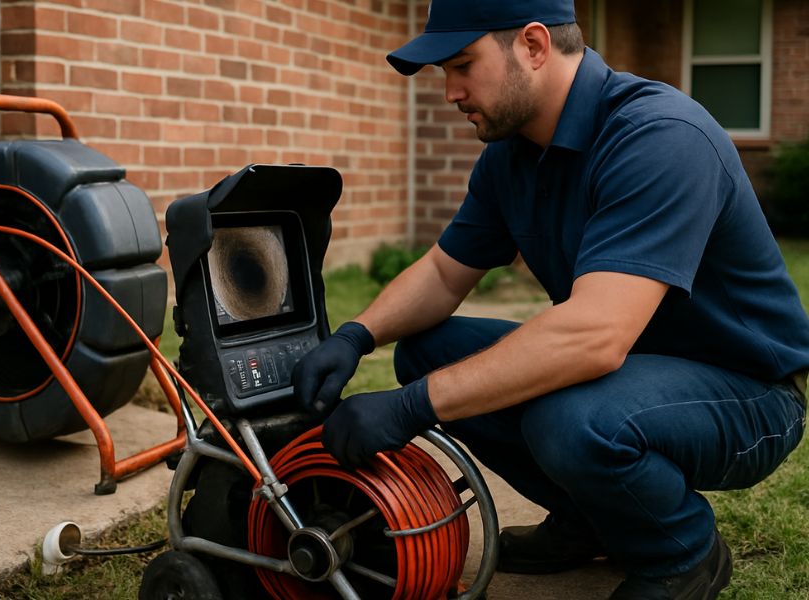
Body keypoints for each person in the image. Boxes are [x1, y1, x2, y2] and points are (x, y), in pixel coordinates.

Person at [292, 0, 809, 598]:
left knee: (570, 420)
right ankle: (590, 518)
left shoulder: (661, 136)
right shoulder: (510, 156)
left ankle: (681, 553)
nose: (451, 92)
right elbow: (441, 273)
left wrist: (410, 409)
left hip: (746, 391)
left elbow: (593, 336)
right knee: (430, 351)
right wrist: (354, 337)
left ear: (534, 46)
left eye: (462, 65)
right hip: (631, 371)